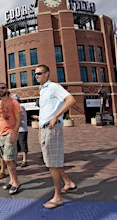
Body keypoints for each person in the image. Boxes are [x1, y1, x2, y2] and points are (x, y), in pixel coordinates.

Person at [35, 64, 77, 209]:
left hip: (52, 128)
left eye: (39, 73)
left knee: (52, 163)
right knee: (52, 161)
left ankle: (58, 197)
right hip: (45, 128)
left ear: (47, 74)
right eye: (35, 74)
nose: (37, 76)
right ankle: (68, 183)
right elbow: (49, 108)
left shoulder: (53, 87)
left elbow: (71, 100)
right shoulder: (42, 90)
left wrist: (55, 117)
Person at [0, 83, 22, 195]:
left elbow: (19, 119)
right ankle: (12, 181)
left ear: (7, 89)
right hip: (1, 134)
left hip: (10, 132)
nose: (1, 90)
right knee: (7, 159)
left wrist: (14, 133)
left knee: (8, 159)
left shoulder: (14, 102)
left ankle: (16, 183)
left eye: (3, 88)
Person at [12, 94, 29, 167]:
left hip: (22, 129)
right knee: (16, 146)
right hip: (16, 130)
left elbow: (21, 118)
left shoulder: (21, 107)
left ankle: (24, 160)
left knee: (23, 145)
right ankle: (15, 161)